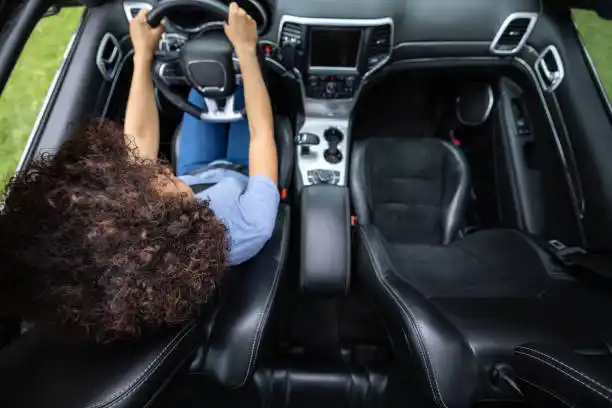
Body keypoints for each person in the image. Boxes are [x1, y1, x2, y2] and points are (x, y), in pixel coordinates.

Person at [0, 3, 278, 343]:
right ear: (173, 224)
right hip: (243, 170)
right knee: (235, 86)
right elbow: (261, 135)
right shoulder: (249, 229)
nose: (156, 167)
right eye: (156, 179)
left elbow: (137, 144)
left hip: (196, 168)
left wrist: (143, 55)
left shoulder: (142, 230)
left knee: (202, 88)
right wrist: (246, 52)